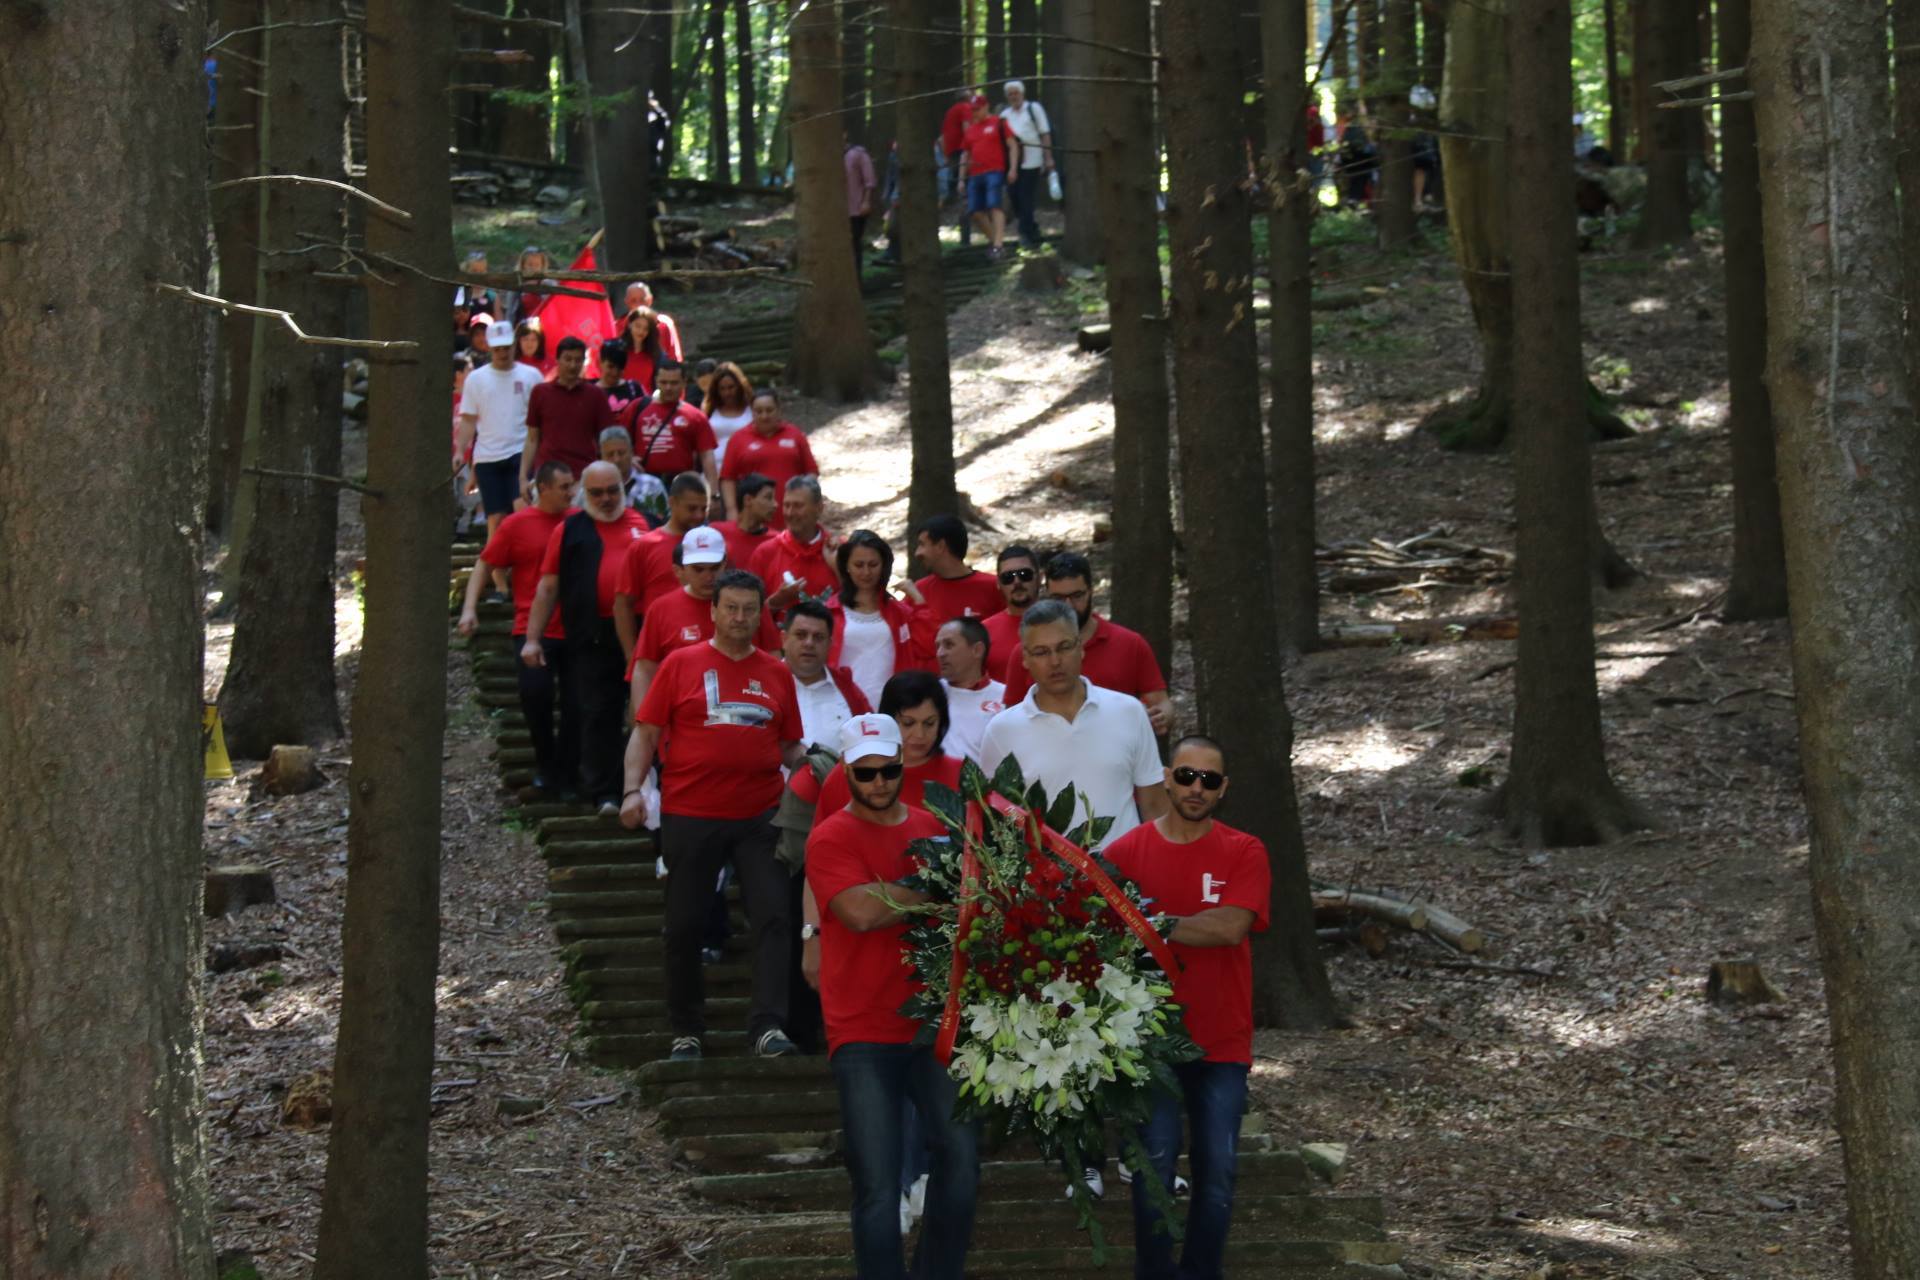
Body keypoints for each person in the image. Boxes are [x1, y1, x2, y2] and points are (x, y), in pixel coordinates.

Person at [803, 713, 980, 1280]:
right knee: (877, 1182)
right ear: (848, 773)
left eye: (888, 770)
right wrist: (931, 890)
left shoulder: (935, 828)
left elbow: (969, 901)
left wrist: (892, 893)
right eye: (866, 772)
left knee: (963, 1160)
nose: (879, 782)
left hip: (935, 1021)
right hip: (861, 1028)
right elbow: (858, 913)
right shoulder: (829, 837)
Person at [623, 569, 809, 1061]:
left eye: (750, 609)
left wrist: (821, 772)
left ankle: (768, 1027)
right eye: (731, 607)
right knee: (684, 924)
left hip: (760, 816)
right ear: (714, 610)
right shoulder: (680, 664)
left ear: (761, 614)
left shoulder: (777, 673)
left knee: (773, 916)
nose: (740, 617)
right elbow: (644, 733)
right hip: (690, 812)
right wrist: (632, 791)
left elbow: (789, 745)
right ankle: (686, 1029)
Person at [1106, 735, 1270, 1280]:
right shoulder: (1127, 853)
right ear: (1167, 778)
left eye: (1209, 780)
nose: (1196, 788)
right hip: (1146, 1043)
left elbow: (1230, 927)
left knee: (1217, 1170)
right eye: (1185, 776)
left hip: (1220, 1041)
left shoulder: (1245, 850)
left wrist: (1151, 923)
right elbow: (1096, 930)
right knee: (1152, 1166)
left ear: (1223, 790)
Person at [979, 598, 1167, 850]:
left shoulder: (1128, 711)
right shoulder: (1001, 731)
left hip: (1126, 881)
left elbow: (1155, 806)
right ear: (1025, 658)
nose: (1055, 661)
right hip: (1048, 884)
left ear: (1081, 648)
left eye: (1064, 647)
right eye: (1042, 652)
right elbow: (997, 820)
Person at [521, 460, 650, 813]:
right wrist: (532, 638)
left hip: (643, 633)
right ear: (583, 492)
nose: (607, 499)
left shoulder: (644, 523)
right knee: (597, 713)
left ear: (623, 487)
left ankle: (643, 789)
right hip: (590, 636)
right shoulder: (569, 529)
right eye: (597, 492)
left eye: (613, 491)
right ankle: (604, 790)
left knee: (646, 712)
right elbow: (548, 587)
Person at [458, 460, 578, 795]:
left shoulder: (579, 522)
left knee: (575, 703)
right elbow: (485, 563)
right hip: (531, 628)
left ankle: (567, 772)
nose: (572, 493)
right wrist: (470, 609)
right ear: (543, 488)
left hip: (577, 629)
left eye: (573, 486)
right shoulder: (517, 525)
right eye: (564, 487)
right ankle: (545, 763)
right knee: (535, 694)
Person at [1000, 551, 1172, 734]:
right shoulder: (1027, 653)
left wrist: (1159, 717)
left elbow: (1161, 703)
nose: (1069, 605)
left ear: (1091, 591)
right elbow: (1012, 718)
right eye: (1059, 598)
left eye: (1077, 596)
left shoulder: (1130, 643)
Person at [629, 524, 780, 707]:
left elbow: (773, 657)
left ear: (724, 564)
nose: (708, 576)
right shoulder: (661, 608)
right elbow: (645, 668)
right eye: (699, 569)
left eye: (714, 568)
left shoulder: (750, 605)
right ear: (682, 569)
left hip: (746, 709)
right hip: (680, 716)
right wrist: (644, 722)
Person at [809, 670, 964, 817]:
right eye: (908, 723)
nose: (920, 734)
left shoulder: (963, 776)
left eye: (929, 723)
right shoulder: (852, 772)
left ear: (942, 722)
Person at [455, 318, 542, 576]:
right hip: (488, 456)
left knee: (522, 510)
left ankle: (526, 569)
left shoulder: (531, 376)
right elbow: (469, 420)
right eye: (498, 348)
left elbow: (539, 420)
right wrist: (462, 451)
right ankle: (499, 578)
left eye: (507, 347)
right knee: (496, 519)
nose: (503, 353)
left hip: (521, 451)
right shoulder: (477, 380)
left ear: (514, 346)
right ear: (490, 349)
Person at [615, 472, 715, 663]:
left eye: (704, 509)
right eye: (692, 508)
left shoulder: (715, 545)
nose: (699, 515)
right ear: (672, 503)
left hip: (708, 649)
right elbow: (623, 605)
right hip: (661, 651)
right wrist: (632, 655)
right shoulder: (645, 546)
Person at [828, 530, 934, 708]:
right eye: (859, 565)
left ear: (883, 566)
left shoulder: (899, 612)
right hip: (842, 706)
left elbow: (927, 646)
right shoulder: (830, 611)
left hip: (892, 707)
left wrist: (918, 601)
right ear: (847, 566)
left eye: (873, 564)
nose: (866, 572)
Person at [522, 335, 611, 493]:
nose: (572, 365)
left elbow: (606, 439)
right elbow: (532, 439)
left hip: (584, 478)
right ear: (557, 360)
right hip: (547, 477)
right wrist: (522, 477)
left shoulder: (596, 395)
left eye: (578, 360)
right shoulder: (540, 392)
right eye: (567, 359)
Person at [722, 389, 819, 527]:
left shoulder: (795, 434)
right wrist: (731, 509)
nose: (764, 416)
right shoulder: (738, 439)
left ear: (779, 410)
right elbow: (727, 479)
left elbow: (811, 471)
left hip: (792, 515)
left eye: (769, 410)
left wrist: (807, 501)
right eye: (759, 411)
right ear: (752, 412)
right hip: (754, 519)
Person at [783, 600, 873, 749]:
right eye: (801, 635)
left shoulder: (848, 691)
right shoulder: (764, 685)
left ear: (830, 644)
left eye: (818, 637)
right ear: (784, 639)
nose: (809, 643)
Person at [749, 475, 839, 619]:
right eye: (786, 505)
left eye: (798, 506)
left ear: (819, 508)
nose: (790, 513)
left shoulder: (838, 550)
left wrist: (839, 569)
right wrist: (775, 602)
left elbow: (862, 605)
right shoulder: (765, 553)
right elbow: (748, 617)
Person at [624, 360, 719, 494]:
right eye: (663, 382)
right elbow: (617, 440)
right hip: (643, 484)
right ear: (656, 381)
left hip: (682, 485)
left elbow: (707, 457)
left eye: (674, 383)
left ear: (684, 383)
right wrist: (629, 459)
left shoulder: (696, 416)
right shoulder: (637, 408)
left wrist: (714, 494)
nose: (668, 387)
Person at [957, 93, 1019, 260]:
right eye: (972, 110)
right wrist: (961, 178)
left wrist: (1012, 169)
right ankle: (996, 241)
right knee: (976, 211)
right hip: (975, 174)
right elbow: (965, 154)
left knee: (994, 205)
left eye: (977, 109)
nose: (974, 113)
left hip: (995, 171)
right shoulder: (970, 130)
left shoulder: (998, 123)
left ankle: (998, 245)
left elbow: (1012, 146)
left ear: (986, 107)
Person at [933, 617, 1004, 763]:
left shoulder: (1005, 698)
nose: (940, 653)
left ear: (977, 650)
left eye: (949, 645)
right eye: (938, 646)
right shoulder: (929, 693)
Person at [912, 514, 1005, 622]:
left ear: (940, 546)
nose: (917, 553)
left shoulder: (994, 587)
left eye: (922, 544)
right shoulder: (918, 591)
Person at [997, 80, 1053, 250]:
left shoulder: (1033, 109)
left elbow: (1045, 133)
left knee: (1025, 196)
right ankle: (1032, 228)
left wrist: (1048, 157)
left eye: (1016, 93)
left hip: (1032, 159)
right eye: (1010, 94)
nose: (1014, 96)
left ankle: (1024, 234)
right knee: (1014, 195)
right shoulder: (1004, 115)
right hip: (1012, 162)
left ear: (1022, 93)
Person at [980, 544, 1039, 683]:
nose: (1017, 582)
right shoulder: (984, 632)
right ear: (999, 584)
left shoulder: (1061, 623)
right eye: (1008, 577)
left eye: (1025, 574)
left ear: (1039, 577)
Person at [593, 425, 668, 523]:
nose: (617, 459)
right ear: (601, 457)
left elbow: (666, 522)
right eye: (610, 455)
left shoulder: (652, 484)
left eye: (621, 453)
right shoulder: (591, 488)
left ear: (632, 452)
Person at [712, 472, 779, 570]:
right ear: (748, 500)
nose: (775, 505)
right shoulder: (717, 532)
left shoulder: (776, 541)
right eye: (768, 498)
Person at [940, 87, 976, 242]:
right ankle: (965, 238)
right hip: (963, 154)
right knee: (965, 195)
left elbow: (942, 138)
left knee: (959, 193)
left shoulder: (949, 112)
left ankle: (964, 235)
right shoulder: (966, 108)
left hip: (952, 156)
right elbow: (968, 130)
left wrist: (946, 156)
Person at [703, 361, 756, 463]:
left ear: (739, 386)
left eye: (731, 387)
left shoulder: (752, 409)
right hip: (715, 467)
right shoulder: (710, 410)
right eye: (722, 389)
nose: (727, 393)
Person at [621, 280, 684, 360]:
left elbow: (674, 358)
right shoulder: (618, 326)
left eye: (642, 300)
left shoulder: (664, 325)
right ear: (626, 302)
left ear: (650, 300)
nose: (638, 305)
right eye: (633, 301)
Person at [846, 130, 878, 274]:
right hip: (838, 211)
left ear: (845, 134)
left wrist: (866, 201)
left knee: (854, 245)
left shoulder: (858, 154)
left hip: (856, 210)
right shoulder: (829, 155)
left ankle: (857, 281)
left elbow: (869, 181)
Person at [620, 306, 669, 396]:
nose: (641, 331)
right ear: (630, 324)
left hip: (646, 404)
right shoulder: (618, 350)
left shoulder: (657, 355)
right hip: (621, 403)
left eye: (645, 328)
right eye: (638, 326)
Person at [596, 339, 649, 419]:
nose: (615, 373)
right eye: (610, 366)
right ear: (600, 362)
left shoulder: (635, 389)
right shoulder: (590, 391)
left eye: (620, 368)